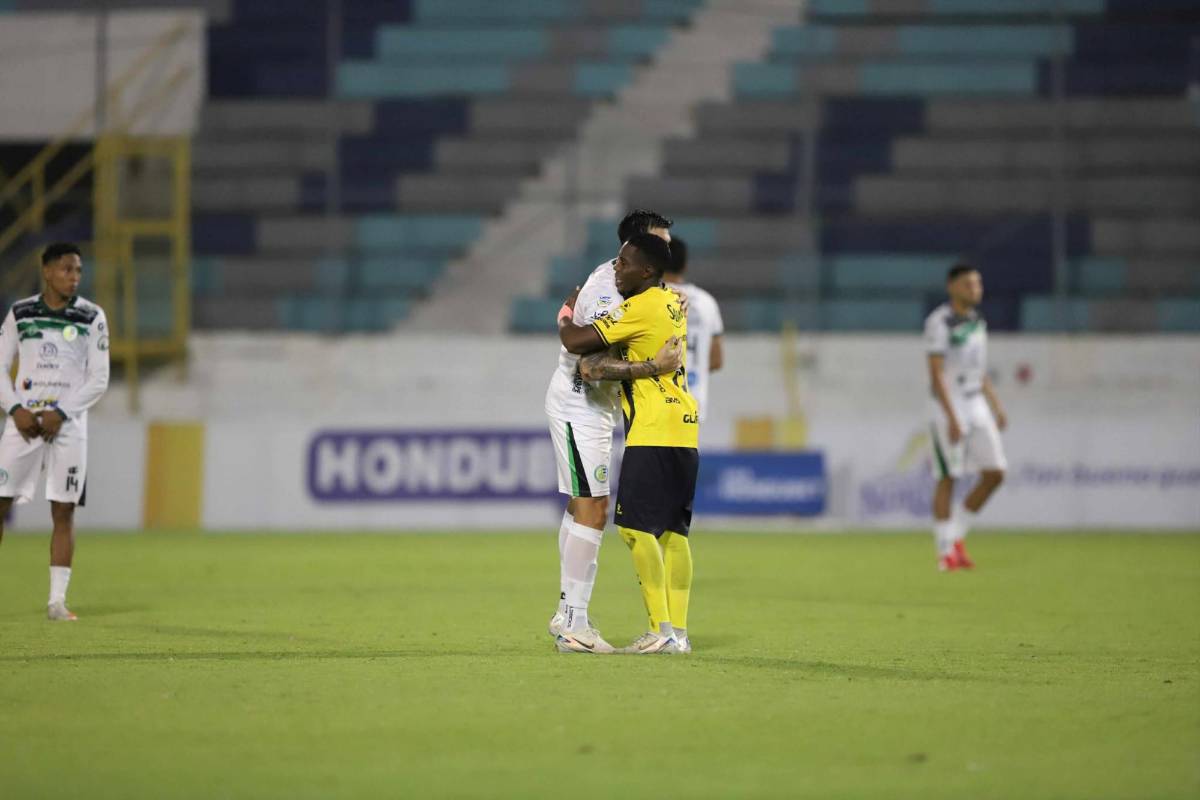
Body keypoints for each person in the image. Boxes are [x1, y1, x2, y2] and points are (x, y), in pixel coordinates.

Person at [543, 210, 677, 654]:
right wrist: (651, 368)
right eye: (660, 243)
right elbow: (589, 362)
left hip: (595, 409)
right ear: (635, 251)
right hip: (582, 402)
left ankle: (567, 614)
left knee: (583, 506)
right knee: (594, 509)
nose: (667, 251)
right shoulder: (609, 287)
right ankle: (574, 624)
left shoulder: (642, 287)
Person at [0, 242, 111, 619]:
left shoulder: (92, 316)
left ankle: (56, 602)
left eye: (78, 271)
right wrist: (15, 408)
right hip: (23, 424)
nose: (74, 277)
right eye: (66, 270)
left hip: (68, 427)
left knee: (63, 512)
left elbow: (99, 379)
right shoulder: (21, 313)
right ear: (46, 271)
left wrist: (61, 412)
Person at [924, 264, 1007, 571]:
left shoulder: (977, 321)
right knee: (949, 475)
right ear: (952, 286)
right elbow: (936, 373)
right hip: (950, 403)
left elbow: (979, 371)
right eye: (969, 284)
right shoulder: (940, 322)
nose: (975, 289)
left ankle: (955, 537)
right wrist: (951, 417)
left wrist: (996, 406)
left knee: (996, 473)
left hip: (976, 401)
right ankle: (945, 552)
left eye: (978, 283)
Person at [662, 236, 724, 421]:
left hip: (658, 400)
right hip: (693, 400)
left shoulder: (650, 299)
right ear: (685, 266)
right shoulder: (707, 302)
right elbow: (716, 360)